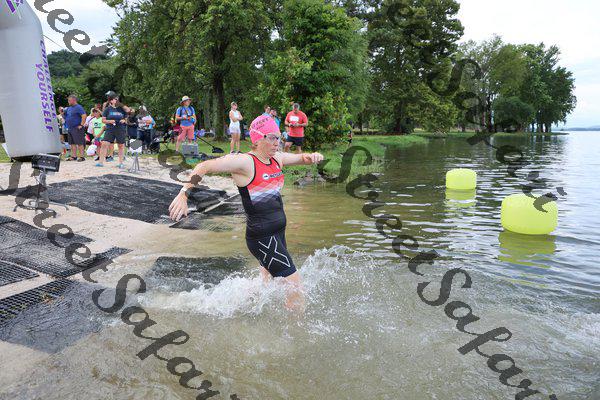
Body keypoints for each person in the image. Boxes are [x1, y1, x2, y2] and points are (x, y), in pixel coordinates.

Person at [169, 114, 324, 312]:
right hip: (262, 237)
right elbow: (204, 166)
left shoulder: (276, 158)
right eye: (272, 137)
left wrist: (312, 156)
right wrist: (184, 193)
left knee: (267, 284)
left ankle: (245, 308)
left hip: (277, 233)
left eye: (279, 137)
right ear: (258, 139)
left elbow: (302, 158)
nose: (277, 142)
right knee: (295, 287)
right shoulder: (244, 162)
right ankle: (297, 327)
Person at [97, 92, 131, 168]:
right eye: (115, 99)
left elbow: (127, 116)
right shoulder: (107, 109)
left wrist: (124, 120)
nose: (117, 100)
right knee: (104, 144)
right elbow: (103, 120)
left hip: (120, 128)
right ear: (111, 101)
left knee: (120, 145)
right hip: (110, 129)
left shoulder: (121, 109)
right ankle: (100, 162)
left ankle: (121, 163)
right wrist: (110, 121)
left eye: (117, 99)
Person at [63, 94, 87, 161]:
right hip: (70, 128)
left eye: (69, 100)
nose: (68, 102)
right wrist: (62, 114)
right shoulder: (69, 108)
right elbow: (66, 117)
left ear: (74, 100)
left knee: (79, 142)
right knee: (72, 143)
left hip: (77, 127)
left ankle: (82, 156)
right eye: (68, 100)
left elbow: (84, 115)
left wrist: (81, 125)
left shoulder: (78, 107)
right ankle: (74, 156)